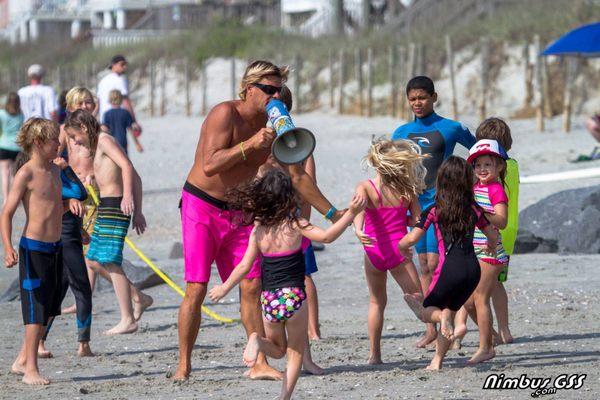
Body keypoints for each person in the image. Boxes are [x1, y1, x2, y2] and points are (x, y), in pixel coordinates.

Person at [174, 60, 346, 382]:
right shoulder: (226, 113)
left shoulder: (277, 124)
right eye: (268, 89)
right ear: (248, 88)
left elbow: (298, 178)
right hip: (202, 205)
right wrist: (251, 144)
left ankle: (259, 363)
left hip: (241, 210)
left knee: (252, 284)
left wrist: (334, 213)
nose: (274, 95)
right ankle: (184, 364)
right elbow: (210, 165)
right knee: (196, 288)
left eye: (278, 90)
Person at [208, 169, 365, 400]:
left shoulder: (259, 230)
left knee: (277, 349)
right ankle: (284, 398)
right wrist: (351, 213)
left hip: (269, 300)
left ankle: (257, 340)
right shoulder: (296, 224)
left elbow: (243, 267)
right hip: (293, 296)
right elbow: (328, 236)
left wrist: (223, 288)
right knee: (295, 352)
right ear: (288, 197)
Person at [392, 76, 476, 348]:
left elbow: (479, 152)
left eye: (422, 98)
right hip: (417, 206)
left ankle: (452, 321)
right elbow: (393, 171)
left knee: (444, 265)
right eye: (412, 99)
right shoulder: (401, 132)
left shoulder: (451, 128)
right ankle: (433, 326)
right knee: (425, 265)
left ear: (434, 97)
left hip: (444, 206)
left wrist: (475, 184)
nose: (417, 103)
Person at [399, 156, 498, 370]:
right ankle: (437, 360)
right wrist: (490, 246)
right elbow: (492, 234)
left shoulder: (434, 210)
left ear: (441, 181)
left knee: (428, 312)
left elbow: (411, 239)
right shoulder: (474, 209)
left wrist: (400, 247)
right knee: (450, 312)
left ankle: (439, 316)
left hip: (448, 270)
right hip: (472, 271)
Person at [64, 110, 152, 335]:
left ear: (83, 128)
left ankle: (128, 319)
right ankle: (138, 297)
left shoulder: (104, 140)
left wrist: (131, 201)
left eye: (74, 136)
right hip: (106, 204)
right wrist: (94, 177)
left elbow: (128, 167)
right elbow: (114, 171)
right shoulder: (96, 145)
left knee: (110, 261)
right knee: (93, 260)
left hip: (116, 205)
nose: (74, 142)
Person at [257, 84, 323, 375]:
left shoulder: (296, 142)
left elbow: (309, 183)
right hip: (267, 228)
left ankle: (308, 346)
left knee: (302, 282)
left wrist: (305, 224)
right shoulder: (261, 142)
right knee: (264, 288)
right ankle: (266, 354)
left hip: (293, 224)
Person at [352, 138, 427, 364]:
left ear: (376, 164)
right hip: (399, 251)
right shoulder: (407, 190)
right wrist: (407, 230)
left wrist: (358, 230)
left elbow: (358, 210)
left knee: (376, 302)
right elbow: (417, 220)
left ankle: (374, 355)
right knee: (421, 299)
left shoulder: (365, 187)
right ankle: (439, 333)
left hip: (373, 250)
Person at [1, 118, 62, 385]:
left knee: (50, 306)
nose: (59, 144)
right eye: (54, 141)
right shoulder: (26, 173)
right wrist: (8, 247)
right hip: (33, 249)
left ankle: (22, 359)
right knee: (35, 308)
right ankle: (30, 371)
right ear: (38, 143)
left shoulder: (56, 170)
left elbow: (55, 205)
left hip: (56, 246)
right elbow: (7, 213)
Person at [454, 139, 509, 365]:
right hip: (473, 248)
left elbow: (502, 221)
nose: (482, 170)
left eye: (487, 164)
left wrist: (480, 214)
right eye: (477, 165)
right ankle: (492, 336)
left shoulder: (496, 189)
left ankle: (485, 347)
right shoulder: (474, 189)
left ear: (499, 167)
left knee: (479, 298)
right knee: (467, 302)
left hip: (491, 250)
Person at [474, 118, 518, 345]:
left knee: (483, 286)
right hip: (510, 230)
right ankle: (504, 329)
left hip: (491, 230)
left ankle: (487, 332)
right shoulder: (514, 165)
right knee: (497, 282)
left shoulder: (488, 174)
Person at [97, 55, 141, 136]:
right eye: (122, 64)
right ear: (113, 65)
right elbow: (125, 101)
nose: (125, 67)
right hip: (117, 118)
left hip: (104, 119)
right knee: (120, 145)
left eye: (125, 64)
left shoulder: (102, 81)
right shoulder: (120, 79)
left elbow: (98, 103)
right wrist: (134, 121)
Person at [0, 92, 24, 206]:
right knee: (15, 173)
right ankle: (15, 198)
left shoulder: (2, 113)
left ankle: (5, 198)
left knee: (5, 173)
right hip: (16, 146)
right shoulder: (21, 114)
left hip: (4, 145)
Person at [102, 89, 143, 154]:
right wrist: (137, 144)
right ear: (121, 99)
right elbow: (131, 130)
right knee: (124, 163)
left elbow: (104, 130)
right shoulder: (125, 113)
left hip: (111, 143)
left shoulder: (106, 114)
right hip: (122, 143)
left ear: (109, 100)